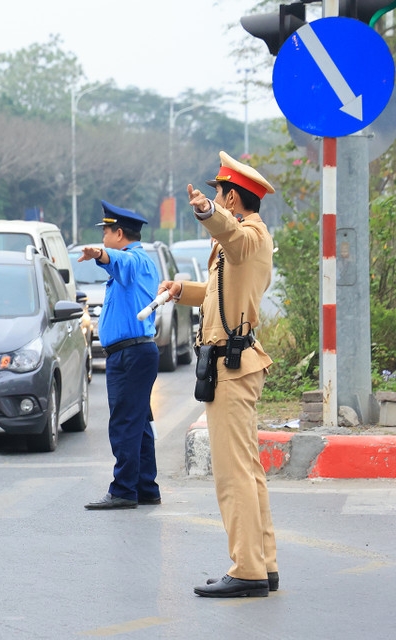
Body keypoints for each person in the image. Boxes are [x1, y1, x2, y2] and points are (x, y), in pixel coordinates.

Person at [158, 151, 278, 598]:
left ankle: (246, 569)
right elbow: (218, 292)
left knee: (233, 475)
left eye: (218, 195)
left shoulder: (249, 236)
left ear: (232, 196)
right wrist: (181, 290)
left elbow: (235, 238)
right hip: (233, 362)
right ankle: (263, 564)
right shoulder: (238, 244)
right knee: (248, 470)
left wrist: (208, 214)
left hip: (232, 365)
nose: (213, 200)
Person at [77, 201, 160, 511]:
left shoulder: (135, 260)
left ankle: (123, 489)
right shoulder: (133, 261)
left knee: (125, 422)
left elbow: (120, 263)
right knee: (138, 423)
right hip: (132, 354)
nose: (103, 238)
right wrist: (104, 256)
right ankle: (145, 487)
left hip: (131, 355)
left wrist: (100, 255)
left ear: (119, 233)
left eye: (106, 232)